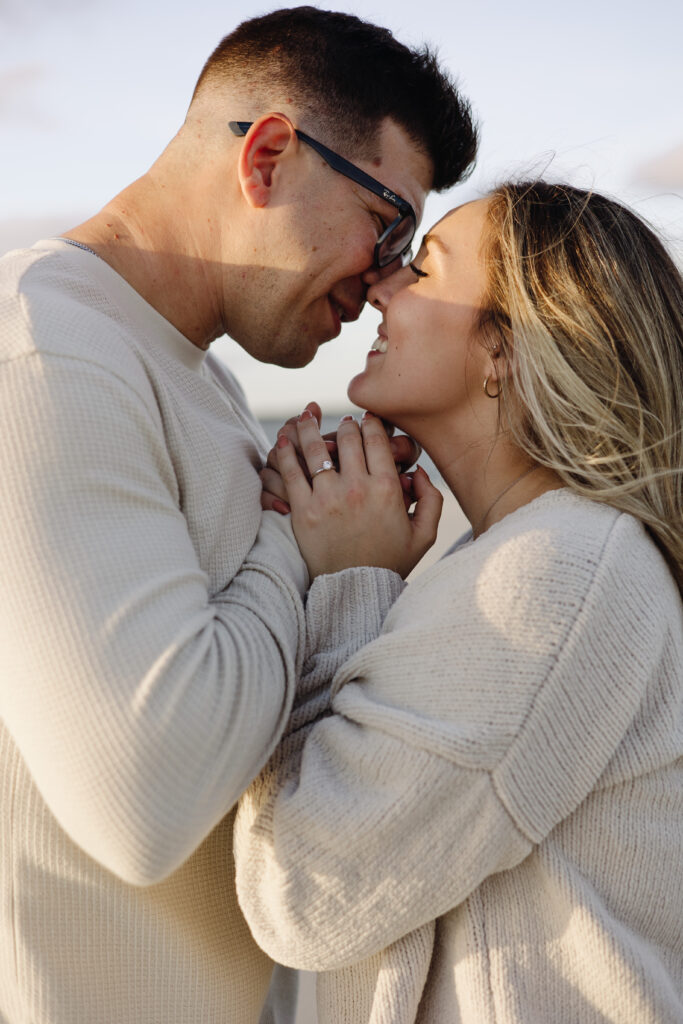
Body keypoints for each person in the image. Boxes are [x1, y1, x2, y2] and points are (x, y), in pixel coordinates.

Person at [0, 7, 478, 1022]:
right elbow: (148, 795)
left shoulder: (198, 381)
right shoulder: (44, 354)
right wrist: (302, 548)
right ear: (266, 156)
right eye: (386, 224)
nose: (386, 278)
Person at [235, 181, 683, 1023]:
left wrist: (345, 586)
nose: (381, 283)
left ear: (505, 351)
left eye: (426, 270)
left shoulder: (557, 570)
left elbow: (306, 897)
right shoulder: (524, 557)